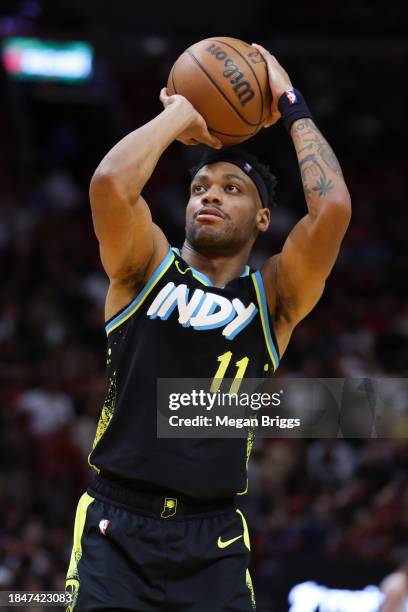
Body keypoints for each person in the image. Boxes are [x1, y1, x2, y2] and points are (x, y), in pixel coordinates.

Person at [65, 44, 351, 611]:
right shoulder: (144, 265)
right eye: (200, 188)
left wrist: (289, 101)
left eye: (230, 189)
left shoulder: (273, 296)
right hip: (114, 527)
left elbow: (333, 209)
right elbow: (109, 184)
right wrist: (179, 115)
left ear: (263, 218)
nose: (210, 196)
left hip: (213, 537)